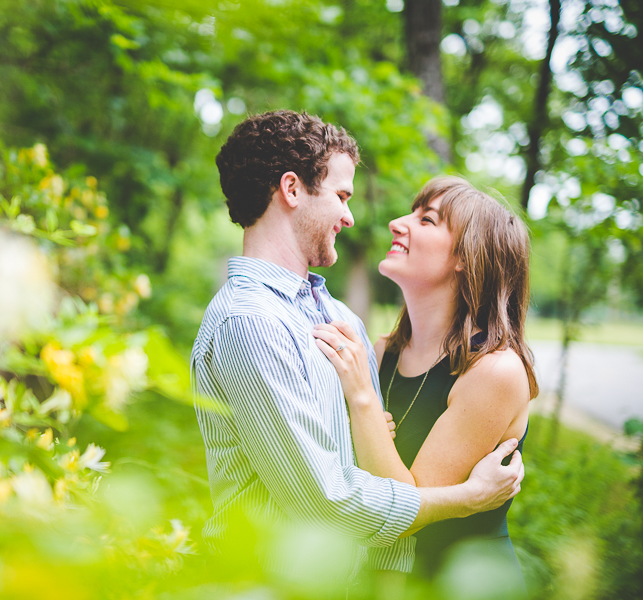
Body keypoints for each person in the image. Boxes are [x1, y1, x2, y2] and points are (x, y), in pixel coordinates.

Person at [192, 110, 524, 583]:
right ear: (291, 190)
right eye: (342, 196)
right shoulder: (249, 323)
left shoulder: (341, 320)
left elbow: (368, 484)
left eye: (425, 219)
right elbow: (327, 501)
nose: (352, 216)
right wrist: (466, 498)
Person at [312, 176, 535, 592]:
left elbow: (401, 518)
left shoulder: (494, 371)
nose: (398, 223)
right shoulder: (379, 353)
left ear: (466, 257)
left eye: (427, 220)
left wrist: (362, 404)